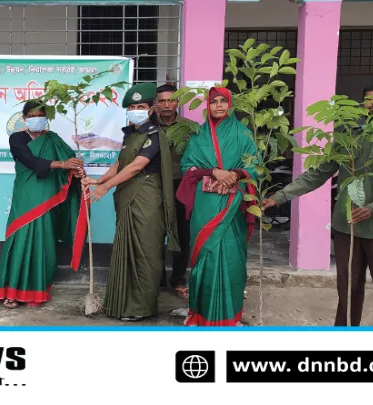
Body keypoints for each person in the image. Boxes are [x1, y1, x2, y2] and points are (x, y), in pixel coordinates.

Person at [263, 79, 373, 326]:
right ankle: (345, 337)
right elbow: (319, 172)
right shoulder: (349, 134)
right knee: (348, 290)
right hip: (346, 225)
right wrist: (279, 197)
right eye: (370, 99)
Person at [83, 82, 180, 322]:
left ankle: (142, 306)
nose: (136, 109)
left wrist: (107, 186)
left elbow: (138, 166)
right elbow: (121, 163)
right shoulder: (131, 134)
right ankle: (123, 304)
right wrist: (99, 180)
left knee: (146, 252)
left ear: (150, 109)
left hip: (147, 198)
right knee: (127, 250)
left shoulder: (154, 135)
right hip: (129, 196)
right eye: (132, 106)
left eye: (141, 106)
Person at [175, 87, 258, 326]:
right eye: (214, 102)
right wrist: (214, 172)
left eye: (223, 101)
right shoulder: (198, 136)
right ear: (207, 106)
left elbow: (255, 166)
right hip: (206, 204)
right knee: (205, 256)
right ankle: (200, 314)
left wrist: (233, 175)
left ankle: (230, 317)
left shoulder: (244, 134)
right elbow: (187, 168)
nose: (219, 106)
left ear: (230, 104)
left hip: (233, 202)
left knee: (232, 257)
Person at [0, 101, 87, 309]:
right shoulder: (17, 138)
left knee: (43, 240)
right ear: (25, 117)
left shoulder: (52, 139)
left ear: (47, 118)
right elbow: (30, 161)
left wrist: (76, 170)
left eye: (41, 114)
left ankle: (37, 289)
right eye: (32, 115)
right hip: (26, 195)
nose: (37, 118)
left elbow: (69, 160)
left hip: (47, 198)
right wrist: (63, 165)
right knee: (20, 238)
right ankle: (11, 292)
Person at [154, 83, 199, 300]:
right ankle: (157, 280)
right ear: (155, 104)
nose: (166, 105)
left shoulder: (191, 127)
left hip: (182, 188)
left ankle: (178, 279)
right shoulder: (148, 127)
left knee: (182, 234)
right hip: (155, 186)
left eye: (170, 100)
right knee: (155, 234)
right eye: (161, 101)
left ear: (178, 102)